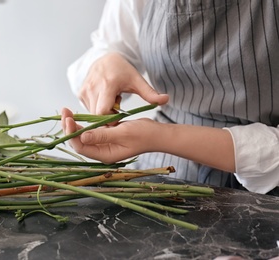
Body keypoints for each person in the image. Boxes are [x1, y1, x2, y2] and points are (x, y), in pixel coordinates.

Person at [61, 0, 279, 195]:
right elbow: (110, 45)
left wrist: (159, 137)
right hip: (160, 182)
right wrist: (104, 64)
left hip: (266, 195)